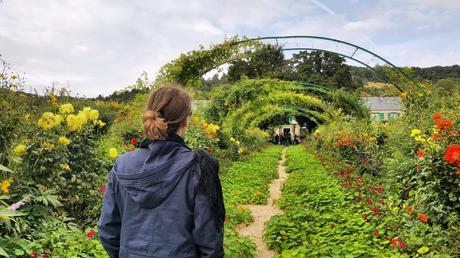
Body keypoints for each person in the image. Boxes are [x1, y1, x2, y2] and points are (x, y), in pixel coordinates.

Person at [98, 85, 225, 258]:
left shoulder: (122, 165)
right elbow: (210, 241)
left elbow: (108, 231)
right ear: (185, 121)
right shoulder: (199, 167)